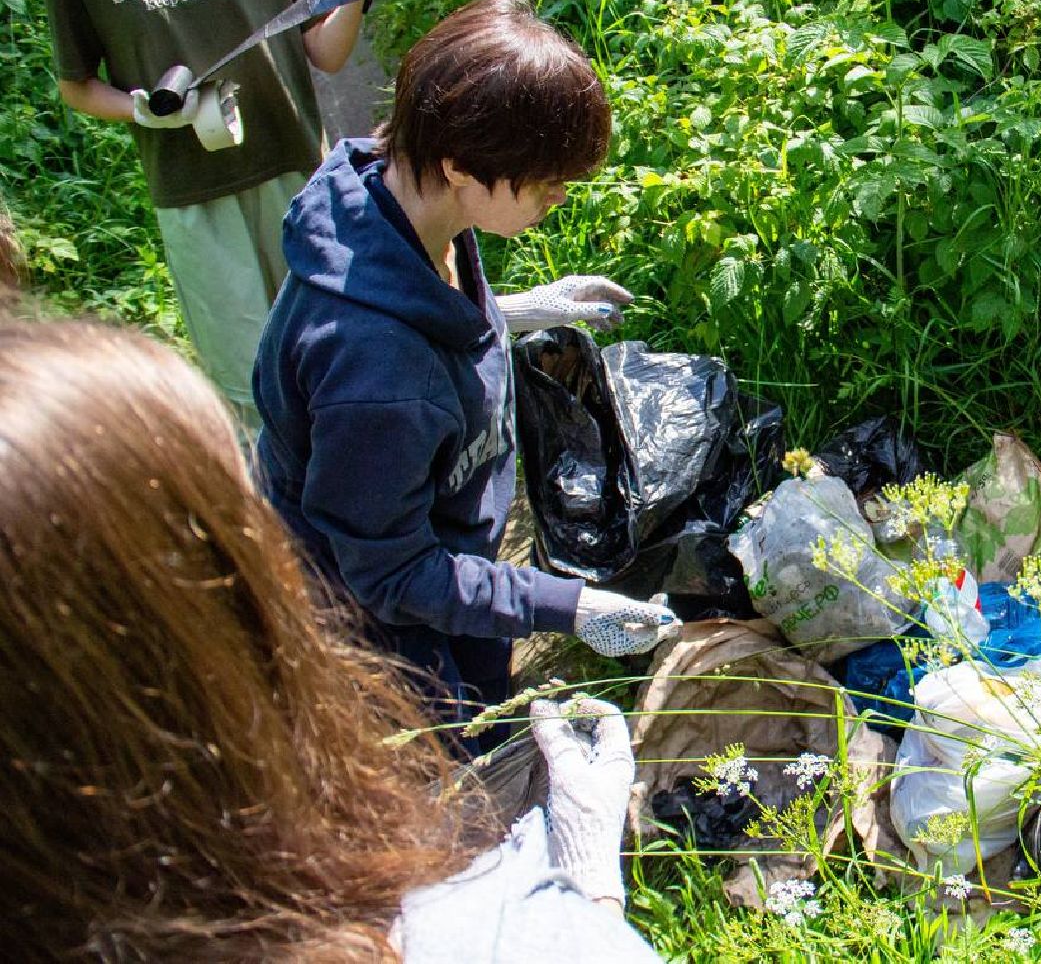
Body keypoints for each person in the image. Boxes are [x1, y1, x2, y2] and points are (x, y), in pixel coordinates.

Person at [0, 309, 659, 961]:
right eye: (240, 517)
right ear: (191, 630)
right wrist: (587, 888)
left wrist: (494, 314)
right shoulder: (479, 934)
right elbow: (398, 571)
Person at [254, 0, 677, 749]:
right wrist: (569, 607)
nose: (558, 197)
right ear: (457, 164)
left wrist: (509, 311)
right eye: (544, 182)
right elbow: (391, 575)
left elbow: (418, 315)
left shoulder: (397, 200)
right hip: (383, 616)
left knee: (488, 685)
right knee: (448, 757)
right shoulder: (377, 380)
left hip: (453, 542)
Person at [36, 0, 402, 425]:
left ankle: (360, 491)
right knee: (251, 384)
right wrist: (141, 109)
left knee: (338, 350)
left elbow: (324, 50)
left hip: (295, 170)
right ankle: (270, 505)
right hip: (193, 194)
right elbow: (76, 85)